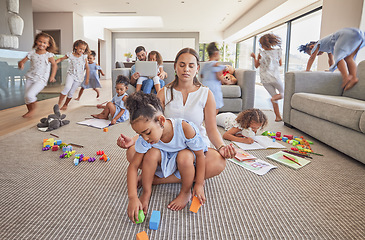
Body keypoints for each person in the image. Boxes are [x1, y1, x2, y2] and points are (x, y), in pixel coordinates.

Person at [117, 48, 236, 187]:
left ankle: (158, 179)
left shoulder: (206, 94)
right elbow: (152, 123)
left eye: (191, 66)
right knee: (132, 153)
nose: (186, 69)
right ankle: (191, 176)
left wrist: (221, 146)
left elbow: (211, 129)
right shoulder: (164, 92)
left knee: (218, 161)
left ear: (197, 68)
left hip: (193, 148)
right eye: (182, 65)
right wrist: (133, 140)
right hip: (167, 147)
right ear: (175, 67)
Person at [126, 92, 207, 221]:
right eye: (140, 134)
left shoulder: (185, 128)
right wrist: (133, 197)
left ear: (161, 120)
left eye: (147, 132)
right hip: (165, 160)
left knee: (184, 157)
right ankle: (147, 192)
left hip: (185, 160)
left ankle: (185, 191)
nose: (145, 138)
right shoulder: (145, 138)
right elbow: (133, 166)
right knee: (151, 154)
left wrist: (199, 184)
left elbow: (201, 156)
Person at [298, 27, 365, 91]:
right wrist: (331, 70)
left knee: (339, 58)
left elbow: (312, 58)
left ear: (312, 47)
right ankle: (353, 77)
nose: (317, 55)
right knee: (348, 58)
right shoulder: (328, 47)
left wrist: (307, 70)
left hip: (344, 35)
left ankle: (345, 77)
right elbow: (330, 60)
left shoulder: (318, 44)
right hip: (355, 35)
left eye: (316, 54)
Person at [18, 32, 58, 118]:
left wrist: (52, 76)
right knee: (26, 97)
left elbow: (54, 65)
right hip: (30, 77)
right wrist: (21, 64)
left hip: (41, 79)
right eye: (40, 41)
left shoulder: (48, 55)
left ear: (48, 45)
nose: (42, 44)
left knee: (30, 95)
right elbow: (22, 61)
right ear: (36, 41)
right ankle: (29, 111)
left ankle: (33, 110)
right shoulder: (32, 53)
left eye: (44, 43)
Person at [251, 33, 284, 122]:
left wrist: (254, 57)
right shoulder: (277, 52)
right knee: (285, 93)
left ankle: (278, 117)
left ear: (262, 44)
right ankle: (275, 105)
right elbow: (280, 64)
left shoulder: (261, 53)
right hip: (275, 77)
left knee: (274, 97)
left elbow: (256, 65)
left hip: (264, 79)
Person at [56, 40, 90, 110]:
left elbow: (87, 68)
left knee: (71, 92)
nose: (82, 51)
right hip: (71, 74)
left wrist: (87, 79)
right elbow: (61, 59)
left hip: (79, 77)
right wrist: (55, 62)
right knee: (67, 88)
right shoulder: (70, 55)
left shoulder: (84, 57)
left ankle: (65, 104)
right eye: (80, 48)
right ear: (76, 47)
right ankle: (59, 103)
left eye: (83, 49)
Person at [200, 42, 226, 114]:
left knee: (206, 105)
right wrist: (223, 80)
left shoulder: (206, 64)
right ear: (215, 54)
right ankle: (212, 121)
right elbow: (218, 77)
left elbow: (201, 75)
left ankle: (205, 121)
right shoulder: (216, 64)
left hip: (205, 86)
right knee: (216, 106)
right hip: (214, 88)